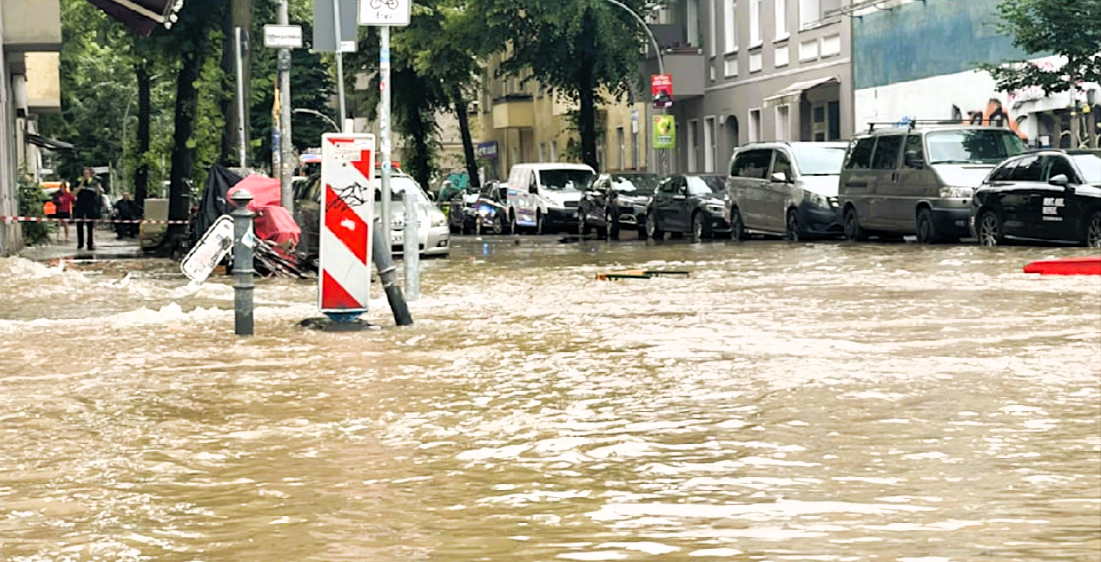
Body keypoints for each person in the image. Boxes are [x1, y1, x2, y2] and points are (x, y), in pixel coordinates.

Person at [73, 167, 103, 251]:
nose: (86, 174)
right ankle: (80, 243)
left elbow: (98, 193)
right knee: (80, 223)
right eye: (84, 172)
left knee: (90, 224)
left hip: (91, 204)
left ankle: (90, 243)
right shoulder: (79, 180)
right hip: (81, 204)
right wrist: (81, 184)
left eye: (88, 172)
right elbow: (74, 192)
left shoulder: (94, 181)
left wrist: (98, 186)